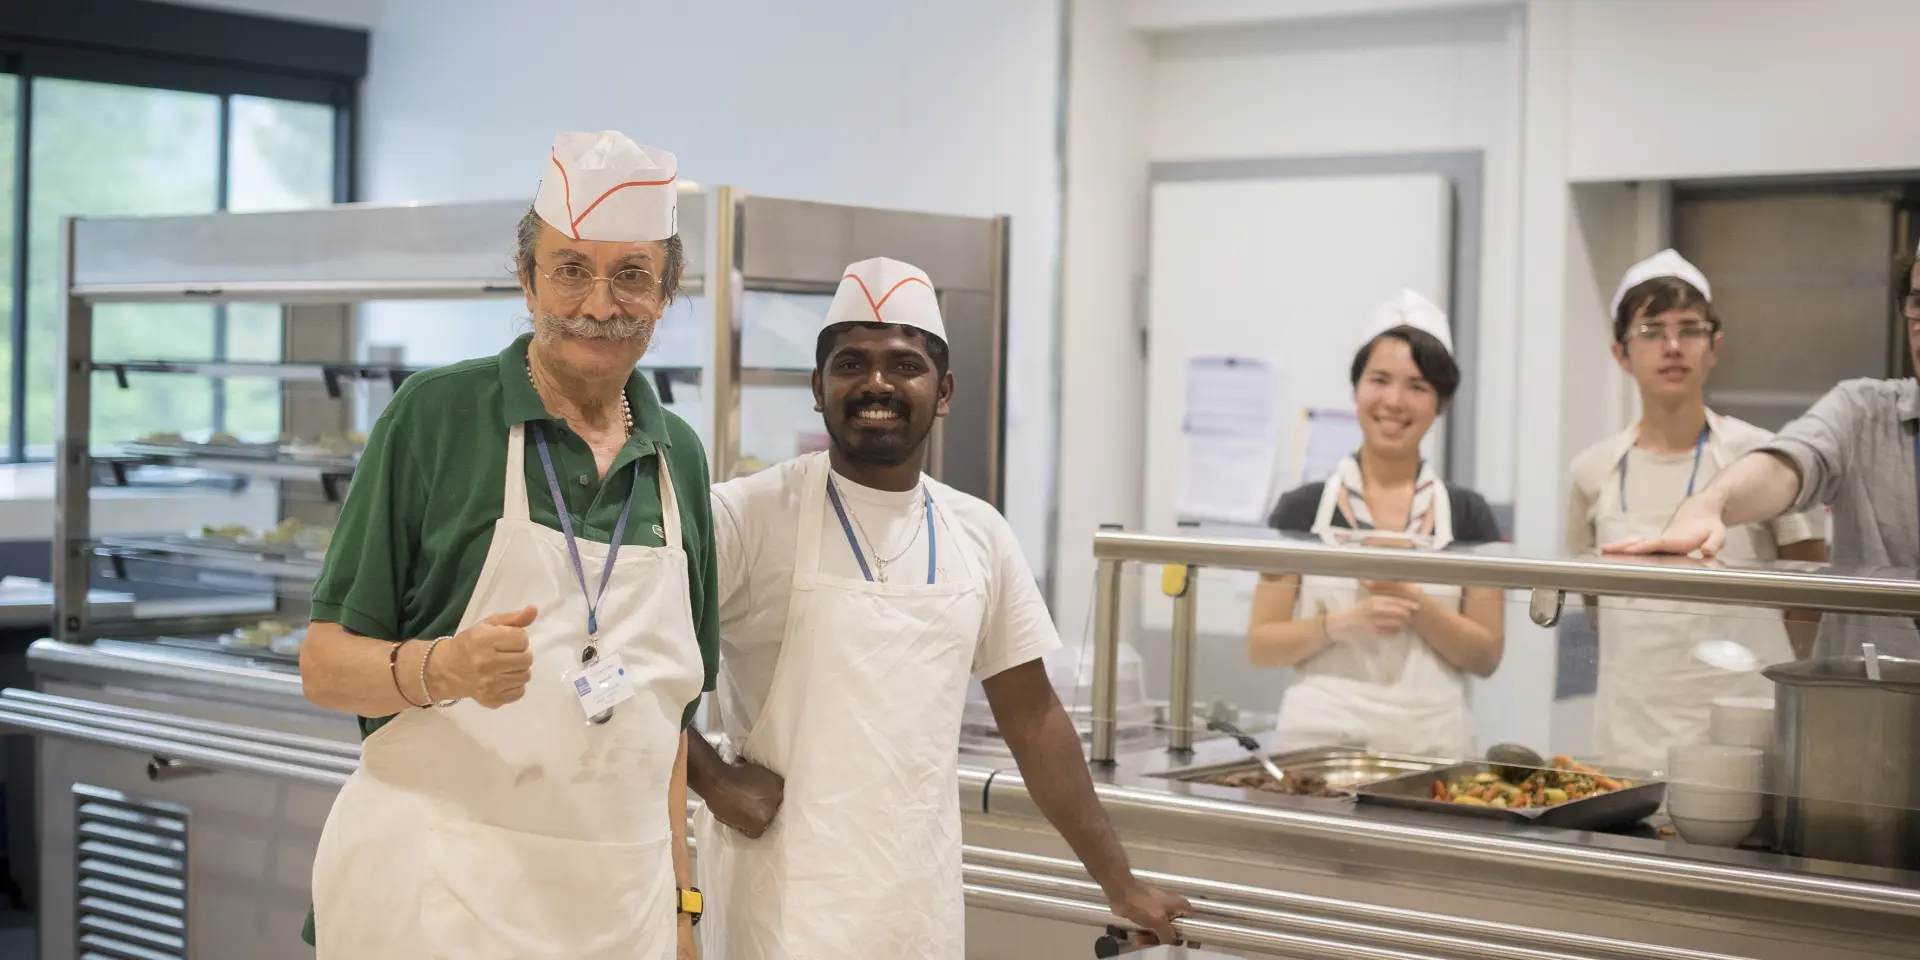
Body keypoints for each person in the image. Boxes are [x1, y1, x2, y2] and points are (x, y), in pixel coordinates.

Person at [687, 257, 1190, 958]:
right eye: (851, 363)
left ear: (943, 390)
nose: (877, 385)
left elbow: (1034, 717)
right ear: (817, 386)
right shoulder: (744, 515)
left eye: (904, 365)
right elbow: (631, 652)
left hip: (914, 905)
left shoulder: (977, 532)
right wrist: (714, 781)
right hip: (781, 904)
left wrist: (1118, 882)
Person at [298, 131, 713, 960]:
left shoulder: (679, 458)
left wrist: (683, 908)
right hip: (442, 897)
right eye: (570, 269)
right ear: (527, 280)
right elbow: (322, 663)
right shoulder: (437, 417)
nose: (599, 302)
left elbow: (667, 723)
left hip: (618, 912)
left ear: (667, 292)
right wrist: (442, 669)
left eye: (632, 274)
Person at [1565, 251, 1827, 771]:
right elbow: (1592, 604)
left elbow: (1811, 590)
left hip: (1746, 724)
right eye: (1651, 330)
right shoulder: (1592, 471)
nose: (1672, 347)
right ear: (1620, 352)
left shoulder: (1765, 459)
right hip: (1630, 727)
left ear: (1715, 346)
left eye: (1689, 329)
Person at [1608, 246, 1919, 660]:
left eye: (1689, 329)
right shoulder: (1863, 412)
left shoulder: (1740, 442)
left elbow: (1803, 596)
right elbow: (1791, 462)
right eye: (1919, 303)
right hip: (1872, 712)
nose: (1672, 347)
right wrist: (1711, 503)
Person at [1246, 290, 1504, 758]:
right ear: (1356, 388)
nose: (1394, 401)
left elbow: (1486, 657)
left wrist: (1412, 600)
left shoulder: (1468, 515)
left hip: (1433, 745)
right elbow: (1262, 644)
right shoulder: (1303, 509)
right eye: (1379, 379)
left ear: (1441, 404)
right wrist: (1341, 624)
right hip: (1318, 742)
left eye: (1418, 386)